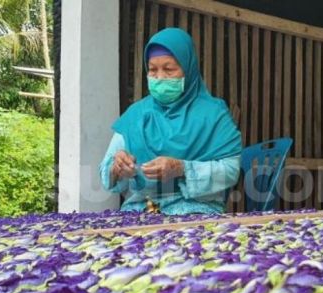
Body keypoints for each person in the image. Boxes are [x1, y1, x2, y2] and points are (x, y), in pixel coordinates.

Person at [99, 28, 242, 215]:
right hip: (140, 211)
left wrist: (181, 168)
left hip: (195, 210)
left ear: (188, 69)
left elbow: (231, 170)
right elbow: (106, 172)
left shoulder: (213, 114)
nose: (159, 78)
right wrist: (117, 168)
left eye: (169, 69)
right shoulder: (136, 115)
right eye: (152, 70)